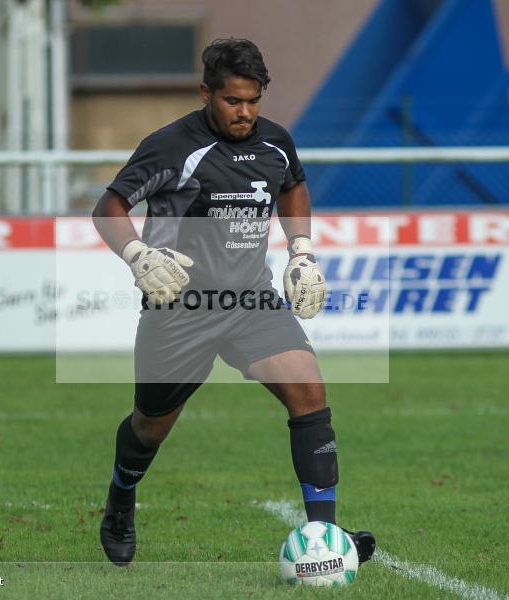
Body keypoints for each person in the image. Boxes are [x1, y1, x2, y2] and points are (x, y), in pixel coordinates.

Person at [91, 38, 375, 567]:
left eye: (253, 100)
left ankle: (324, 541)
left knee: (309, 391)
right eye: (232, 101)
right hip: (179, 310)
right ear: (207, 94)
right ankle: (120, 502)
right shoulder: (172, 146)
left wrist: (302, 251)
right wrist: (136, 254)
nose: (245, 112)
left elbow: (292, 185)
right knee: (150, 426)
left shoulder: (275, 142)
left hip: (250, 300)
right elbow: (108, 206)